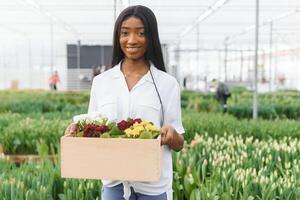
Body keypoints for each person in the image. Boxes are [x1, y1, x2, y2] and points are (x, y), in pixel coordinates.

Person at [65, 5, 184, 200]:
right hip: (114, 185)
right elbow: (93, 130)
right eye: (125, 33)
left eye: (141, 33)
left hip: (153, 187)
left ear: (151, 37)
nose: (131, 40)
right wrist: (77, 132)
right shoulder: (101, 82)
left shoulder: (167, 84)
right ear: (117, 37)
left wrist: (172, 135)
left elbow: (179, 143)